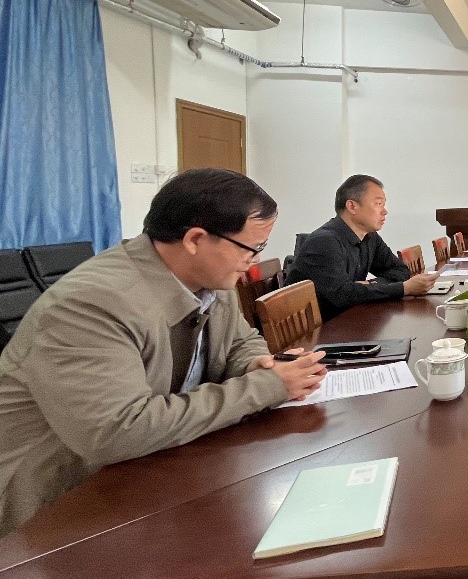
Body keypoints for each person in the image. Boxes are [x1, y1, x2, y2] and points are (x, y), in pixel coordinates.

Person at [0, 169, 328, 537]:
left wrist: (257, 364)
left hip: (152, 468)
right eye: (250, 248)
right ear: (195, 239)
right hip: (55, 508)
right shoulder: (90, 304)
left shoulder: (209, 279)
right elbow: (117, 431)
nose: (252, 262)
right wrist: (266, 387)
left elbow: (241, 340)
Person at [286, 174, 438, 321]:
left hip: (347, 319)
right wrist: (404, 288)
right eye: (378, 204)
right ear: (352, 206)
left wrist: (372, 284)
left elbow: (400, 270)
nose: (385, 211)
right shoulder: (324, 242)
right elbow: (342, 295)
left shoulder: (369, 237)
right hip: (318, 330)